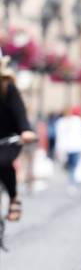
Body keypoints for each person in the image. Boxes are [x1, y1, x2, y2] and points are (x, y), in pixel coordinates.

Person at [0, 54, 37, 221]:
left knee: (2, 162)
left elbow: (20, 112)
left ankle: (14, 197)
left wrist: (26, 130)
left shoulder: (7, 86)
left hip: (8, 139)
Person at [55, 105, 81, 190]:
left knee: (73, 165)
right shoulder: (61, 122)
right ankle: (72, 181)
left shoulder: (77, 121)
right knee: (70, 165)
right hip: (66, 148)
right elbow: (59, 136)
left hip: (75, 146)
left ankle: (72, 182)